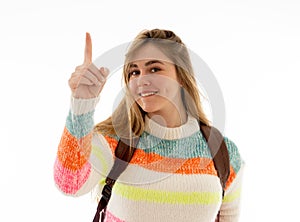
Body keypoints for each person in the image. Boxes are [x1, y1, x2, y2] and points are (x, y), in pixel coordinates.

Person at [54, 29, 244, 222]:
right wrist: (81, 105)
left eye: (154, 69)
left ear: (182, 75)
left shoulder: (222, 152)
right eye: (134, 72)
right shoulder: (115, 143)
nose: (142, 80)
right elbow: (70, 182)